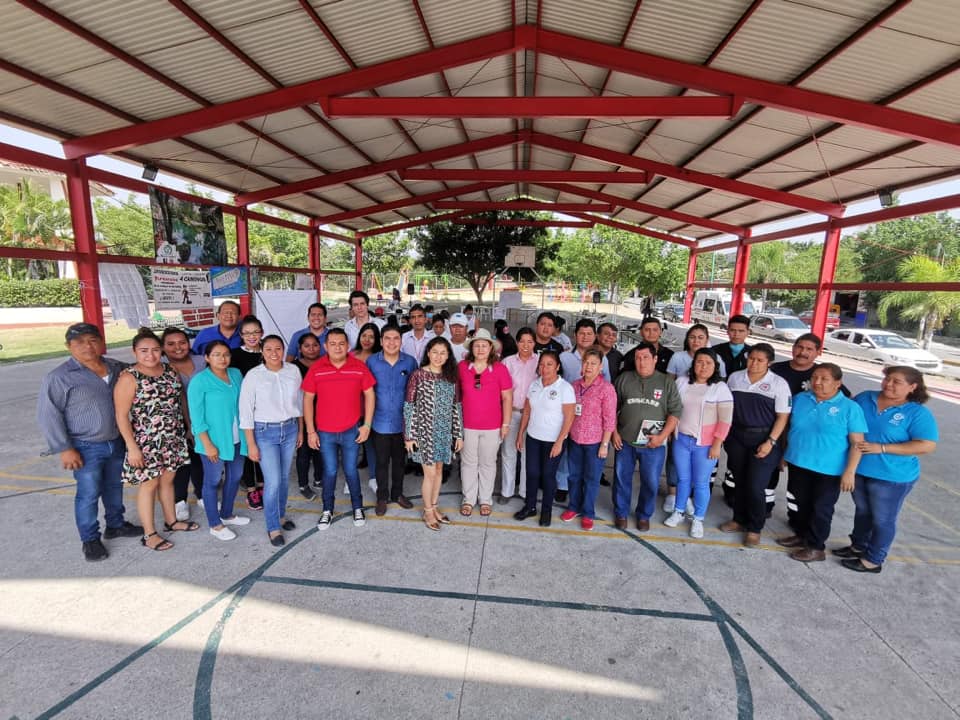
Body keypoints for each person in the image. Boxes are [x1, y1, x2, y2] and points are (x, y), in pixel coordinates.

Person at [37, 323, 142, 562]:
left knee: (114, 486)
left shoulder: (117, 367)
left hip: (116, 440)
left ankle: (116, 524)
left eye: (92, 340)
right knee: (88, 493)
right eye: (80, 342)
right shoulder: (59, 377)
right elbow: (48, 415)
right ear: (69, 346)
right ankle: (90, 539)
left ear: (101, 341)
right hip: (85, 445)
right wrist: (64, 448)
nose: (87, 346)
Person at [837, 366, 938, 573]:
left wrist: (882, 448)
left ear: (912, 387)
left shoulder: (916, 412)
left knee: (883, 518)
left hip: (892, 476)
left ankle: (873, 559)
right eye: (887, 379)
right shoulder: (865, 398)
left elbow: (926, 445)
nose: (888, 384)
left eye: (896, 382)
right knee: (863, 511)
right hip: (859, 468)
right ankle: (858, 546)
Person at [114, 329, 195, 552]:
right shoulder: (129, 377)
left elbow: (180, 400)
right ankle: (149, 533)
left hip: (173, 436)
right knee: (149, 484)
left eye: (155, 350)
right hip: (146, 440)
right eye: (144, 351)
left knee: (168, 480)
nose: (150, 355)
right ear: (134, 352)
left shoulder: (170, 370)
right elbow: (121, 415)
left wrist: (187, 427)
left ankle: (172, 521)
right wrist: (132, 447)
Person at [776, 364, 866, 562]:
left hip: (829, 469)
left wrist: (850, 471)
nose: (817, 382)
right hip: (799, 461)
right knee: (799, 503)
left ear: (838, 383)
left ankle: (816, 547)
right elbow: (789, 429)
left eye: (824, 379)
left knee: (821, 508)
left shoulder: (850, 408)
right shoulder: (801, 399)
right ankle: (801, 535)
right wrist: (784, 454)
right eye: (815, 377)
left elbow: (857, 444)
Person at [302, 328, 376, 530]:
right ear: (325, 346)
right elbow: (307, 399)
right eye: (332, 343)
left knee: (351, 471)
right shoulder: (317, 368)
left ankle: (357, 507)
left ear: (348, 346)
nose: (337, 347)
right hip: (325, 432)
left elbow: (369, 395)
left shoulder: (358, 367)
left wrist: (367, 425)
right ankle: (327, 509)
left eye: (341, 343)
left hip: (351, 429)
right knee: (330, 471)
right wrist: (310, 431)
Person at [719, 344, 792, 547]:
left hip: (764, 439)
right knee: (739, 481)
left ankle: (754, 528)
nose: (754, 363)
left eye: (760, 360)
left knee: (756, 485)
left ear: (769, 362)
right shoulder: (735, 378)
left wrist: (771, 442)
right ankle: (738, 519)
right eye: (751, 358)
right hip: (737, 438)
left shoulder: (779, 384)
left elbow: (782, 417)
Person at [239, 335, 303, 546]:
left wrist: (301, 431)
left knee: (284, 478)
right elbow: (245, 411)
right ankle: (272, 526)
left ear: (284, 349)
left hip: (290, 428)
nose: (274, 353)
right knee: (273, 481)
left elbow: (300, 403)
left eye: (278, 348)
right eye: (269, 349)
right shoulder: (254, 376)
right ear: (262, 351)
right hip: (265, 432)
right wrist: (251, 443)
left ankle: (280, 515)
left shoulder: (293, 371)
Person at [612, 341, 682, 531]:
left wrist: (662, 437)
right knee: (621, 478)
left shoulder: (666, 382)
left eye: (646, 358)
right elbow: (610, 409)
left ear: (655, 359)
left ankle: (644, 515)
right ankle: (621, 513)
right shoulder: (624, 379)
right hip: (625, 441)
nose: (641, 362)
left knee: (650, 481)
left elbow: (675, 412)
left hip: (654, 444)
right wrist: (614, 433)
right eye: (638, 358)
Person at [664, 348, 733, 539]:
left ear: (715, 366)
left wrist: (717, 444)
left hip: (705, 444)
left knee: (701, 483)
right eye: (699, 362)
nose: (703, 366)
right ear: (693, 365)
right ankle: (679, 511)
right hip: (681, 440)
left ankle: (698, 519)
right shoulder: (682, 382)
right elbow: (672, 408)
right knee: (683, 479)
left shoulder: (720, 388)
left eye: (708, 363)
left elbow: (725, 420)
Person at [186, 340, 251, 541]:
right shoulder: (199, 381)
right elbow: (196, 417)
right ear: (206, 358)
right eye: (216, 355)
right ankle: (215, 524)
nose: (222, 359)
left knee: (235, 476)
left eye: (225, 354)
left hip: (237, 437)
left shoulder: (235, 374)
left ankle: (227, 514)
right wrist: (207, 444)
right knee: (213, 481)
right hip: (213, 441)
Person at [404, 336, 464, 530]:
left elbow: (456, 408)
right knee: (429, 474)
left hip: (444, 433)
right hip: (424, 433)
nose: (438, 356)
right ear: (428, 353)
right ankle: (428, 511)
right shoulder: (418, 375)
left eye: (443, 353)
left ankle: (435, 507)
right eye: (435, 352)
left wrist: (459, 434)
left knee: (439, 471)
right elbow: (409, 407)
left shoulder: (450, 377)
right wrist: (409, 435)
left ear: (448, 356)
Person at [514, 350, 576, 526]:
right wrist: (520, 434)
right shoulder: (534, 385)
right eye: (542, 364)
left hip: (553, 441)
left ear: (557, 366)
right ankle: (530, 506)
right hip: (533, 437)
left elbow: (569, 417)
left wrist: (559, 442)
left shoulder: (565, 388)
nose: (545, 368)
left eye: (549, 364)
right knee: (532, 473)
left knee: (548, 476)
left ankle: (546, 511)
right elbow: (527, 411)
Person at [458, 328, 513, 517]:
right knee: (468, 463)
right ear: (471, 348)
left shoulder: (500, 369)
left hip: (492, 426)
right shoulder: (462, 367)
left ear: (491, 348)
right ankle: (468, 498)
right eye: (477, 345)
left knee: (488, 463)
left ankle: (485, 499)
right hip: (467, 425)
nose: (480, 349)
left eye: (484, 345)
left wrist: (505, 424)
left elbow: (507, 398)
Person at [561, 348, 616, 531]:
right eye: (586, 362)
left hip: (595, 443)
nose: (589, 366)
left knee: (591, 479)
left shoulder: (606, 389)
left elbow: (610, 419)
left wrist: (605, 444)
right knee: (574, 476)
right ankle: (573, 507)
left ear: (600, 367)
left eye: (593, 363)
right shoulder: (575, 385)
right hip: (575, 439)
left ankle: (588, 513)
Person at [367, 326, 418, 516]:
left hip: (402, 423)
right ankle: (382, 497)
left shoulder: (410, 362)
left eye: (396, 338)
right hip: (379, 422)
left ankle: (397, 494)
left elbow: (416, 390)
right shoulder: (372, 362)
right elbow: (366, 392)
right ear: (381, 341)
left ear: (401, 341)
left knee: (399, 462)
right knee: (381, 463)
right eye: (387, 338)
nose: (391, 342)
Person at [162, 326, 206, 522]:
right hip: (172, 422)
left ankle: (203, 495)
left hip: (203, 419)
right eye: (171, 344)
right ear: (163, 347)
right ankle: (180, 501)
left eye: (182, 342)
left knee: (201, 459)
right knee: (180, 463)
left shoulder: (201, 361)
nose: (178, 347)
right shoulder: (159, 366)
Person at [230, 316, 265, 510]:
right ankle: (251, 489)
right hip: (242, 410)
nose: (252, 336)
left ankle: (262, 485)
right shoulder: (234, 356)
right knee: (246, 449)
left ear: (261, 333)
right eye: (247, 333)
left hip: (265, 411)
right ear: (241, 335)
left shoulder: (268, 352)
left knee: (262, 449)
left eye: (255, 332)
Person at [500, 327, 538, 504]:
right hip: (512, 412)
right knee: (509, 453)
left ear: (534, 343)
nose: (526, 345)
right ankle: (506, 491)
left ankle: (524, 491)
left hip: (532, 415)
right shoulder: (507, 362)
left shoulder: (540, 362)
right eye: (522, 341)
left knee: (527, 455)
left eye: (530, 341)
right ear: (516, 343)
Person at [292, 334, 324, 500]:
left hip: (323, 414)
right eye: (307, 346)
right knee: (304, 452)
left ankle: (319, 478)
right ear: (300, 349)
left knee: (319, 449)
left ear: (320, 346)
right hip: (302, 415)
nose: (311, 349)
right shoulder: (293, 367)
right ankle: (303, 484)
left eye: (314, 345)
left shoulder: (326, 363)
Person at [352, 322, 382, 493]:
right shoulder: (350, 356)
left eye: (371, 336)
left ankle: (373, 477)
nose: (367, 339)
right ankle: (351, 479)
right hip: (351, 407)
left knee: (371, 445)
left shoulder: (379, 357)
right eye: (364, 335)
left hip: (371, 408)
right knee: (352, 445)